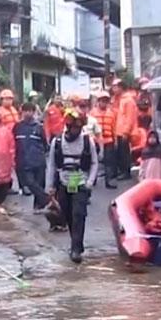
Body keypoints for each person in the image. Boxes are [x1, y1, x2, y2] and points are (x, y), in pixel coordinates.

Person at [46, 109, 99, 264]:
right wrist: (50, 187)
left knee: (78, 214)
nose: (76, 131)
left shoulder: (88, 141)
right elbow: (52, 166)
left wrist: (90, 182)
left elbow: (95, 162)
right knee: (68, 214)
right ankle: (76, 243)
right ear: (68, 127)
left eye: (79, 128)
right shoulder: (57, 143)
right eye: (74, 128)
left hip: (81, 182)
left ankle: (75, 249)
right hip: (64, 182)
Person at [14, 102, 49, 213]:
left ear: (34, 112)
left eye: (30, 111)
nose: (28, 113)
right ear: (22, 112)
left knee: (40, 183)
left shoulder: (39, 127)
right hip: (24, 161)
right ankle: (47, 199)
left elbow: (45, 143)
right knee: (30, 183)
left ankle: (38, 206)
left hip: (39, 160)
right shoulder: (17, 127)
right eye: (25, 111)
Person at [111, 78, 138, 182]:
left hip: (124, 131)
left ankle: (126, 172)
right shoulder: (117, 99)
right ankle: (121, 171)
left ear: (121, 88)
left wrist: (126, 131)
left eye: (116, 87)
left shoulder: (128, 100)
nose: (114, 89)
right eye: (113, 87)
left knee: (124, 152)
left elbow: (129, 117)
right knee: (120, 152)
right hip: (118, 129)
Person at [90, 91, 118, 189]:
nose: (104, 103)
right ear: (98, 101)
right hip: (96, 141)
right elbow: (90, 127)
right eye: (102, 101)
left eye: (105, 101)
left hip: (108, 140)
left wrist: (115, 141)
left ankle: (108, 181)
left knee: (109, 162)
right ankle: (93, 179)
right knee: (93, 161)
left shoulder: (111, 114)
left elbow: (114, 128)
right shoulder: (92, 113)